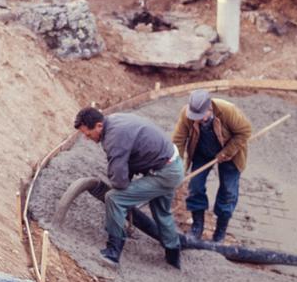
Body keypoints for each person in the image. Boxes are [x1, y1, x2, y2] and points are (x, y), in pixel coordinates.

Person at [74, 106, 184, 269]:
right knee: (161, 211)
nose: (87, 138)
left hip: (165, 173)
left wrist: (122, 197)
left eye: (88, 134)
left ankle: (113, 253)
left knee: (114, 198)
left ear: (98, 125)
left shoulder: (113, 138)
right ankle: (173, 256)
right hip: (170, 163)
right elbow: (128, 161)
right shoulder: (114, 121)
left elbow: (119, 182)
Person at [171, 90, 252, 242]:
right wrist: (176, 167)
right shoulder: (187, 113)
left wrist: (226, 152)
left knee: (228, 191)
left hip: (230, 153)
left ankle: (220, 231)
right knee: (195, 186)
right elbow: (178, 140)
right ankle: (197, 225)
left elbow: (245, 131)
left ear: (209, 109)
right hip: (202, 151)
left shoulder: (227, 110)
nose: (197, 119)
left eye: (200, 116)